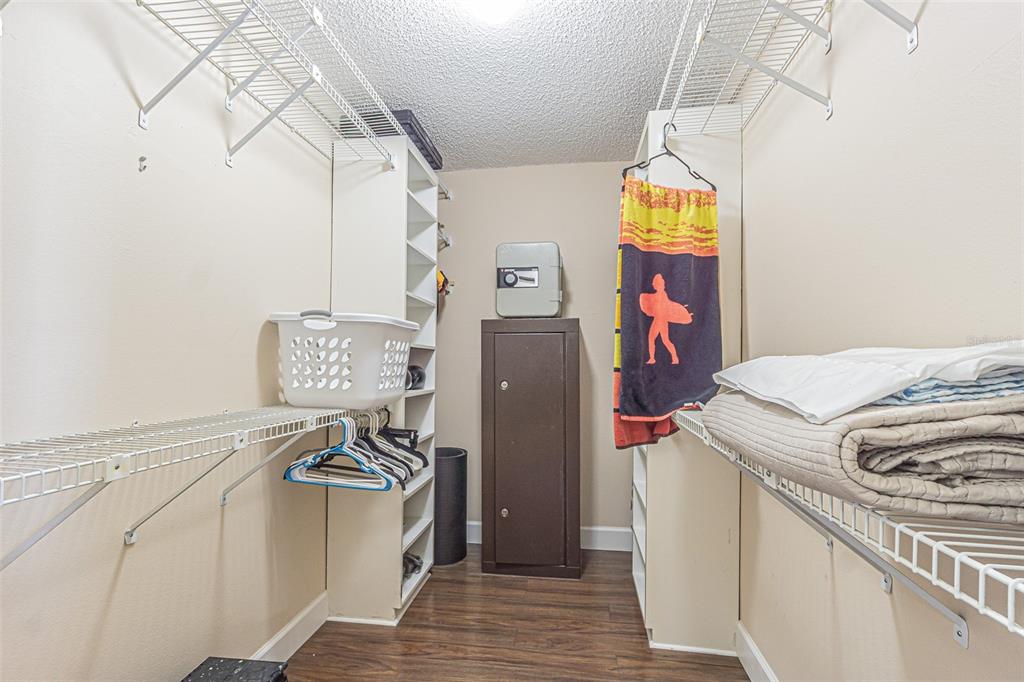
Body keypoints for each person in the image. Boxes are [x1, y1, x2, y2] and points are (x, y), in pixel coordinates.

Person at [638, 273, 693, 365]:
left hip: (661, 321)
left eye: (657, 283)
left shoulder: (661, 294)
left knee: (664, 340)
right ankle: (653, 358)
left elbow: (667, 305)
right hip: (658, 320)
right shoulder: (659, 294)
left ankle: (674, 358)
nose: (655, 285)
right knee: (654, 339)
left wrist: (679, 310)